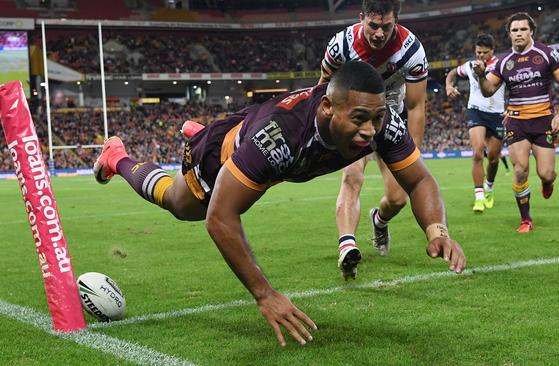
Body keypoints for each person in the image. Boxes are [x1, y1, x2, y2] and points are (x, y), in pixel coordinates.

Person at [93, 61, 466, 347]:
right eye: (359, 119)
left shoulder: (380, 124)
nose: (370, 130)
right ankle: (118, 158)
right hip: (224, 155)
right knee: (182, 205)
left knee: (254, 167)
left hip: (264, 148)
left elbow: (418, 179)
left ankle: (205, 131)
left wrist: (437, 229)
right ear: (327, 110)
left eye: (376, 118)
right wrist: (265, 294)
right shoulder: (280, 136)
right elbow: (222, 218)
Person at [319, 0, 428, 279]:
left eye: (386, 26)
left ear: (397, 22)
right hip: (353, 118)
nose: (379, 33)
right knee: (352, 177)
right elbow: (322, 88)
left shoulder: (412, 51)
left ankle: (379, 221)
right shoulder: (341, 44)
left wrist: (412, 150)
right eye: (373, 26)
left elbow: (416, 106)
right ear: (361, 19)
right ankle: (347, 247)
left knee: (398, 198)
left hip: (391, 117)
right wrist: (324, 129)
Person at [473, 12, 559, 233]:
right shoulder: (504, 62)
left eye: (523, 29)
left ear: (531, 31)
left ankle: (547, 183)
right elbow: (489, 90)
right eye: (514, 30)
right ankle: (526, 219)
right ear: (509, 34)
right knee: (520, 170)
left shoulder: (547, 54)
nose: (519, 34)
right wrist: (481, 75)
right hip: (517, 122)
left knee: (546, 173)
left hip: (543, 120)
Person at [446, 33, 507, 213]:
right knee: (478, 152)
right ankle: (479, 197)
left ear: (492, 51)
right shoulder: (469, 66)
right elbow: (452, 73)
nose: (481, 56)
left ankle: (489, 188)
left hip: (496, 113)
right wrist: (449, 86)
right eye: (478, 52)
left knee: (494, 158)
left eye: (485, 52)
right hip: (476, 110)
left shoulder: (500, 65)